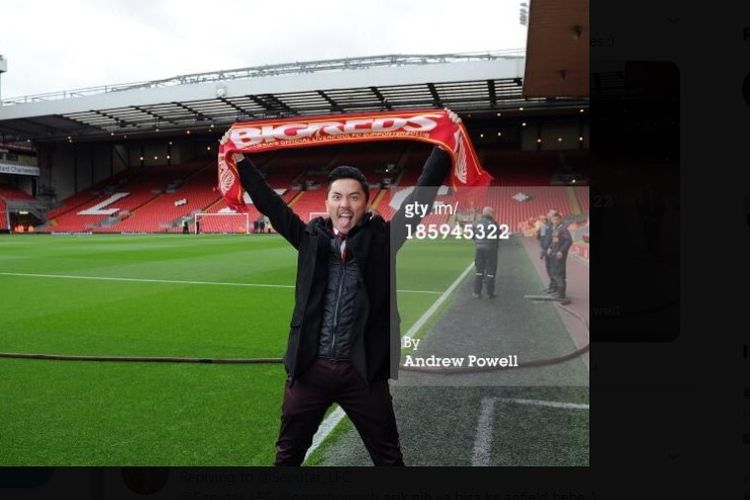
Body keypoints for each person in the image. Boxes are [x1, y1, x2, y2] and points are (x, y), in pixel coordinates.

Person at [221, 113, 456, 466]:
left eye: (354, 197)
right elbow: (270, 204)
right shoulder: (308, 240)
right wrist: (240, 161)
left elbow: (419, 202)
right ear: (327, 202)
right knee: (287, 456)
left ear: (366, 203)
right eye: (337, 197)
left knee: (389, 458)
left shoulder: (384, 241)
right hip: (309, 370)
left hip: (362, 373)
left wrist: (443, 146)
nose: (345, 205)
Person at [472, 206, 499, 298]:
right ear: (491, 213)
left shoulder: (475, 223)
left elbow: (472, 236)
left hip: (479, 249)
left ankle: (476, 292)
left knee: (479, 271)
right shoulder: (494, 224)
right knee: (490, 271)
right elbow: (499, 236)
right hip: (491, 249)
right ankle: (490, 293)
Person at [546, 211, 572, 302]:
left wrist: (561, 251)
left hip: (559, 255)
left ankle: (561, 294)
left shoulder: (563, 229)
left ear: (560, 220)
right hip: (554, 254)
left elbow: (569, 241)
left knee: (560, 274)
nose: (555, 221)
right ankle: (557, 291)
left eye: (557, 219)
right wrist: (550, 248)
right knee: (555, 273)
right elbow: (554, 241)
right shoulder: (556, 228)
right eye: (553, 219)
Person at [538, 208, 557, 294]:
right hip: (545, 249)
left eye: (552, 214)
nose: (550, 215)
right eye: (549, 213)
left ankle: (555, 288)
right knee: (548, 269)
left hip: (552, 251)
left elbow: (555, 240)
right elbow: (541, 237)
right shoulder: (546, 224)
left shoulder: (555, 225)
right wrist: (540, 230)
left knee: (553, 270)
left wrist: (551, 247)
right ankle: (551, 286)